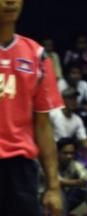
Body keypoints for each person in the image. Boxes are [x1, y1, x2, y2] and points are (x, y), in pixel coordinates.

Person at [0, 0, 63, 215]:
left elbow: (43, 126)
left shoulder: (37, 55)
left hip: (21, 169)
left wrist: (53, 187)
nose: (10, 1)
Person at [50, 88, 87, 154]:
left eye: (75, 99)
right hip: (51, 150)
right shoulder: (53, 114)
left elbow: (85, 143)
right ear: (62, 99)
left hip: (66, 153)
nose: (74, 101)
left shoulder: (78, 120)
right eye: (70, 98)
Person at [57, 138, 87, 214]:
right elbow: (57, 181)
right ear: (57, 152)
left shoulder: (74, 164)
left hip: (67, 200)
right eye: (65, 153)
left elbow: (86, 174)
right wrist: (77, 182)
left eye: (71, 153)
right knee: (60, 192)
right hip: (46, 200)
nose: (69, 156)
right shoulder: (50, 165)